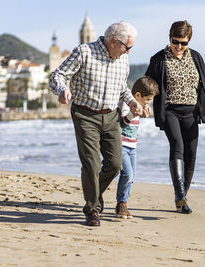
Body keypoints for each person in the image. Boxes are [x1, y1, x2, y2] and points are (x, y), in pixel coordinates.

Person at [49, 21, 142, 227]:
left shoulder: (123, 59)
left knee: (115, 165)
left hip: (111, 116)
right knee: (91, 163)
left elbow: (122, 88)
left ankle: (94, 191)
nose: (128, 52)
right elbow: (57, 75)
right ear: (113, 41)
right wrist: (62, 90)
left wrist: (132, 101)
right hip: (85, 114)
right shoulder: (84, 52)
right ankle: (92, 209)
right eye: (127, 47)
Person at [145, 20, 205, 214]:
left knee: (191, 155)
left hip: (192, 112)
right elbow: (147, 84)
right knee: (177, 146)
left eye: (183, 43)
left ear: (189, 42)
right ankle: (179, 194)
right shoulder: (159, 59)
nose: (178, 46)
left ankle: (182, 199)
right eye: (175, 41)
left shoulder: (196, 57)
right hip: (170, 111)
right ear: (169, 38)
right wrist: (142, 103)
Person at [115, 76, 159, 219]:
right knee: (127, 174)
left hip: (133, 145)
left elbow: (137, 117)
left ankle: (123, 202)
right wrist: (133, 113)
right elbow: (122, 123)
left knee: (131, 176)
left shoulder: (139, 104)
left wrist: (144, 112)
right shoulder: (126, 104)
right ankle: (121, 203)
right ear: (138, 95)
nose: (148, 103)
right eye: (147, 100)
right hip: (121, 144)